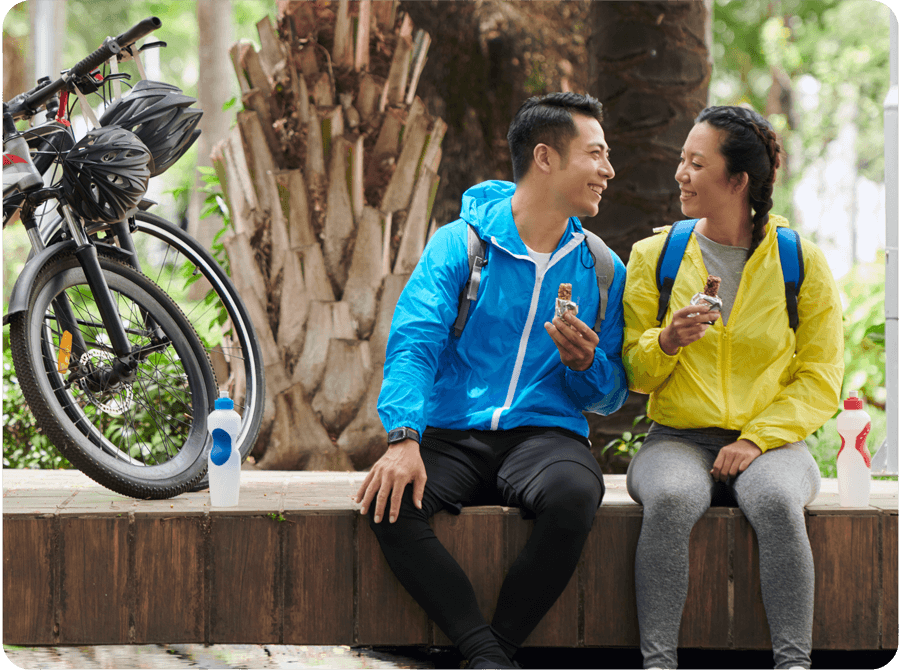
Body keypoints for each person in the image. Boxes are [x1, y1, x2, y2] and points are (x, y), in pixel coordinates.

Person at [354, 92, 627, 669]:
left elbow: (610, 394)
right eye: (596, 154)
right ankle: (487, 654)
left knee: (577, 495)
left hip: (544, 438)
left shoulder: (602, 267)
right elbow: (415, 342)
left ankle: (489, 654)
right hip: (452, 431)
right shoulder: (462, 244)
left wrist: (586, 365)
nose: (608, 169)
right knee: (388, 502)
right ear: (545, 157)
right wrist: (403, 437)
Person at [622, 105, 844, 670]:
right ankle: (657, 664)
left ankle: (794, 664)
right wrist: (667, 341)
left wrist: (756, 438)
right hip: (677, 438)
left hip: (771, 443)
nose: (681, 174)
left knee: (776, 501)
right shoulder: (655, 256)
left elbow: (821, 378)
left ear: (738, 181)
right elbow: (635, 374)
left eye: (697, 164)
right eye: (682, 160)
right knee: (671, 499)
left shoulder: (799, 261)